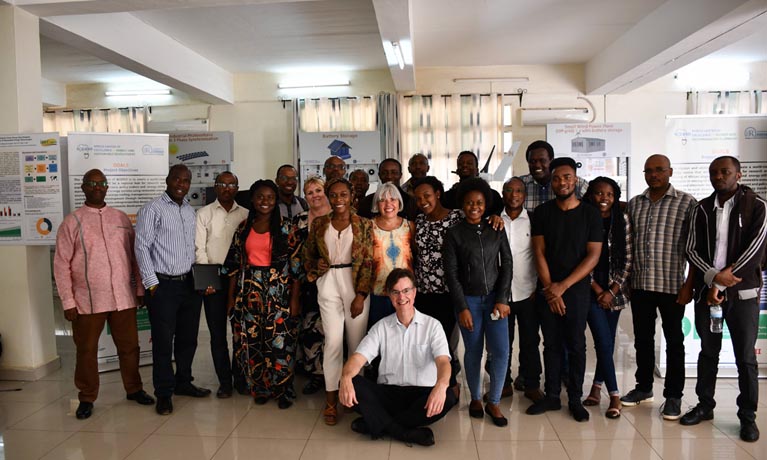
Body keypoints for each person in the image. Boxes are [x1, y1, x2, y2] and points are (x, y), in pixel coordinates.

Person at [54, 169, 154, 420]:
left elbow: (135, 257)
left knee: (130, 347)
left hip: (123, 297)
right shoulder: (72, 222)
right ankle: (87, 397)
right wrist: (68, 301)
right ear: (84, 187)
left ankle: (134, 389)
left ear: (108, 187)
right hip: (87, 301)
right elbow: (61, 265)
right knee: (86, 350)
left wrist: (139, 288)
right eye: (92, 183)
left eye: (102, 183)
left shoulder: (120, 218)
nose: (98, 187)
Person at [683, 156, 766, 442]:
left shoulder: (757, 206)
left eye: (725, 172)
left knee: (745, 358)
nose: (719, 176)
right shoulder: (701, 209)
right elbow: (691, 249)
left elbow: (756, 247)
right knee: (708, 353)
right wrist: (713, 279)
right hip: (708, 294)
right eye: (714, 172)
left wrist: (725, 278)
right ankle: (705, 406)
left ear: (738, 174)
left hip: (742, 293)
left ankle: (748, 418)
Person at [339, 269, 456, 447]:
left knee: (448, 395)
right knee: (353, 382)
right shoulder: (381, 327)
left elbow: (443, 362)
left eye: (406, 291)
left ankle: (377, 424)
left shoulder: (433, 326)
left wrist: (441, 385)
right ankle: (405, 432)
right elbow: (358, 358)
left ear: (415, 292)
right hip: (388, 394)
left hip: (421, 396)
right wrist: (346, 377)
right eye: (396, 292)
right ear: (389, 295)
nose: (402, 297)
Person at [525, 157, 602, 422]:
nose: (562, 182)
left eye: (567, 177)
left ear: (576, 180)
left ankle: (575, 399)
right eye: (557, 178)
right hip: (548, 288)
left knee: (577, 345)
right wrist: (550, 289)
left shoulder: (590, 213)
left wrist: (562, 287)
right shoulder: (543, 213)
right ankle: (552, 396)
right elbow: (539, 252)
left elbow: (593, 255)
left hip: (576, 290)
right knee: (551, 344)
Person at [622, 154, 696, 421]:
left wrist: (689, 285)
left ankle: (673, 396)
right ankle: (643, 388)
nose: (654, 175)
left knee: (674, 341)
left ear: (670, 172)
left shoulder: (687, 203)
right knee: (642, 340)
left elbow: (695, 249)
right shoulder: (635, 204)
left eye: (659, 170)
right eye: (649, 170)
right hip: (641, 285)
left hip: (672, 286)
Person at [135, 164, 210, 416]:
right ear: (167, 180)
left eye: (186, 180)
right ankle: (164, 393)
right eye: (177, 179)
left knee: (188, 338)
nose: (181, 184)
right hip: (163, 285)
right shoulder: (152, 209)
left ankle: (183, 382)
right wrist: (151, 283)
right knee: (164, 343)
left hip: (189, 284)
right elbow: (141, 247)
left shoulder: (190, 211)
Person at [224, 180, 302, 408]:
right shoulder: (243, 227)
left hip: (279, 293)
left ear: (275, 199)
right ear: (252, 200)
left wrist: (295, 299)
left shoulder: (288, 228)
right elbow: (233, 265)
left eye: (269, 197)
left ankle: (283, 390)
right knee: (252, 341)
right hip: (249, 293)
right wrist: (230, 298)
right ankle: (260, 387)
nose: (264, 201)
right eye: (260, 197)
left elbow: (297, 268)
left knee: (280, 343)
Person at [303, 178, 374, 426]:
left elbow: (368, 262)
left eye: (343, 194)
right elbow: (307, 257)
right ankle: (332, 398)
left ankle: (356, 395)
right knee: (332, 342)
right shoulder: (320, 223)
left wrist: (361, 294)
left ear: (351, 195)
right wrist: (315, 265)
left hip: (354, 284)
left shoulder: (364, 224)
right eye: (333, 195)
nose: (338, 199)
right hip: (328, 282)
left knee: (357, 344)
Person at [443, 177, 512, 427]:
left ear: (486, 205)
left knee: (501, 351)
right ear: (463, 205)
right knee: (473, 351)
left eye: (480, 203)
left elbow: (507, 264)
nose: (474, 206)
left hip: (496, 301)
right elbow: (451, 273)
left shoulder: (496, 229)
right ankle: (474, 397)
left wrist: (503, 299)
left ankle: (493, 401)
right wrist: (461, 307)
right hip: (469, 302)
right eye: (470, 202)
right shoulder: (454, 234)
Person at [194, 171, 249, 398]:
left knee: (240, 333)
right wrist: (206, 281)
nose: (227, 188)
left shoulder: (246, 214)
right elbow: (200, 249)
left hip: (240, 279)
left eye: (232, 184)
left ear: (237, 188)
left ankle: (241, 379)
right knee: (218, 334)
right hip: (213, 277)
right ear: (215, 187)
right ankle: (225, 382)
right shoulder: (203, 213)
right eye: (222, 184)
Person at [581, 177, 632, 419]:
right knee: (603, 342)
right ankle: (614, 395)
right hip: (590, 290)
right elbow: (579, 258)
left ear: (615, 196)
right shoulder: (584, 218)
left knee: (607, 343)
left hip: (616, 292)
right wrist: (597, 288)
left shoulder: (622, 219)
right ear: (591, 195)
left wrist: (611, 290)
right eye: (599, 193)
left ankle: (596, 388)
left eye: (609, 194)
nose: (604, 198)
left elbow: (629, 259)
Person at [495, 177, 544, 402]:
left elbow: (540, 255)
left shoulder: (534, 221)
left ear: (524, 195)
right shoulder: (493, 221)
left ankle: (532, 383)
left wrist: (539, 285)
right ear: (502, 194)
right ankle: (502, 383)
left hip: (528, 292)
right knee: (501, 342)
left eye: (519, 191)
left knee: (530, 341)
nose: (514, 195)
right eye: (509, 190)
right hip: (500, 295)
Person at [412, 176, 463, 390]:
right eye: (418, 198)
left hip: (448, 291)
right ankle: (430, 382)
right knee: (426, 339)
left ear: (438, 194)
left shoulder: (457, 218)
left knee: (444, 341)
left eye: (427, 195)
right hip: (424, 292)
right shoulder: (420, 221)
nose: (423, 201)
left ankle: (449, 385)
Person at [293, 176, 332, 395]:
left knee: (333, 330)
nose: (315, 195)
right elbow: (294, 254)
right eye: (310, 192)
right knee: (310, 329)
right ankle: (316, 374)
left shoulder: (339, 216)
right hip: (308, 283)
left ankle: (337, 372)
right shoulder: (299, 220)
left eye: (318, 190)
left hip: (336, 281)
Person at [367, 182, 415, 328]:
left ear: (399, 202)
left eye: (392, 199)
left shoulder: (410, 226)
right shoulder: (368, 227)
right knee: (380, 335)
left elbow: (416, 255)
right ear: (377, 204)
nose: (388, 204)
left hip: (405, 293)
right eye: (382, 200)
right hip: (378, 292)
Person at [520, 140, 588, 213]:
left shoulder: (576, 183)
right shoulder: (520, 185)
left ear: (551, 160)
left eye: (542, 160)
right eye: (533, 162)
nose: (537, 165)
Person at [441, 151, 503, 216]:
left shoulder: (493, 196)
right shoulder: (447, 197)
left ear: (477, 170)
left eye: (469, 163)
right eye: (461, 164)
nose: (465, 165)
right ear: (457, 170)